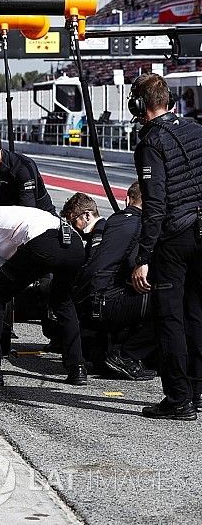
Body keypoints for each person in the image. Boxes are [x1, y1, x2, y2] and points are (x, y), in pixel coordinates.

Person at [128, 73, 202, 421]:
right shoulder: (197, 130)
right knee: (197, 314)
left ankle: (178, 398)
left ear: (139, 106)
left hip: (175, 238)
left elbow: (154, 205)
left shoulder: (151, 143)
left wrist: (143, 256)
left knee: (170, 318)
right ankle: (198, 392)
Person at [0, 205, 87, 386]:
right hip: (75, 245)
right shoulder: (16, 214)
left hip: (43, 244)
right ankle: (77, 368)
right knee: (62, 301)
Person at [72, 181, 156, 381]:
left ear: (127, 199)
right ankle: (126, 355)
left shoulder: (114, 221)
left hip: (90, 301)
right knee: (171, 305)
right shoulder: (143, 225)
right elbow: (135, 271)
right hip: (104, 303)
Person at [60, 192, 106, 259]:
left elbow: (93, 265)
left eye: (74, 222)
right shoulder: (101, 229)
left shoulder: (99, 235)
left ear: (87, 216)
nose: (72, 227)